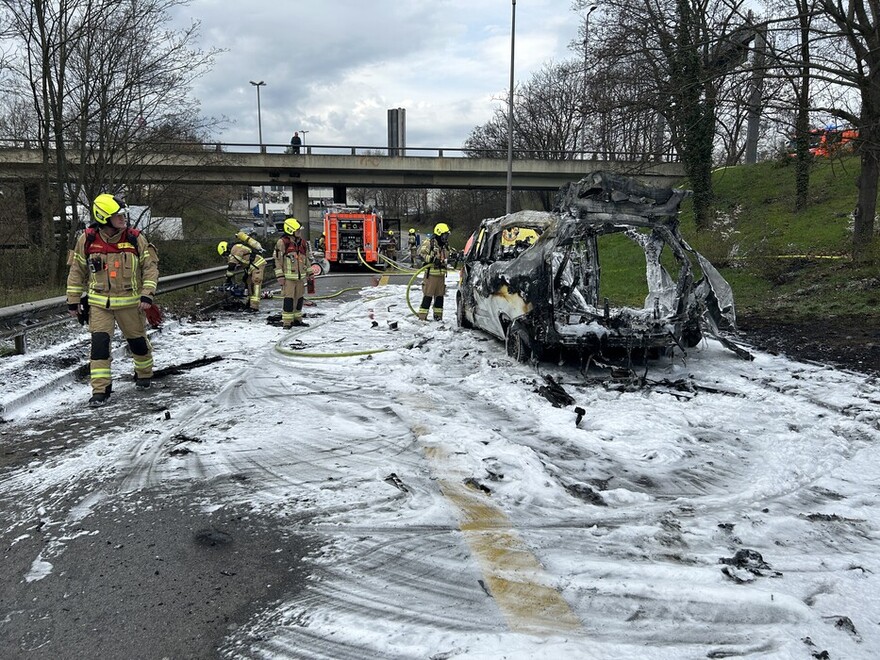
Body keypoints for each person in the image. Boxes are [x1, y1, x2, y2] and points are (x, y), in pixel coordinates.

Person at [66, 193, 159, 407]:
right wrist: (73, 300)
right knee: (99, 346)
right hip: (99, 305)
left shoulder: (134, 238)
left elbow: (150, 269)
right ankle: (100, 389)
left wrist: (147, 294)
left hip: (130, 304)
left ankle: (144, 374)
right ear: (104, 217)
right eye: (118, 215)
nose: (123, 219)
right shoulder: (87, 239)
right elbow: (76, 271)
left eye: (123, 214)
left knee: (138, 344)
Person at [275, 217, 314, 328]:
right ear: (290, 230)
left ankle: (297, 319)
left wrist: (310, 273)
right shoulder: (282, 243)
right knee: (289, 299)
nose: (300, 232)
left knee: (299, 298)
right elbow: (277, 260)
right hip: (288, 279)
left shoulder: (302, 243)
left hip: (300, 278)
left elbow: (305, 259)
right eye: (298, 231)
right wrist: (280, 276)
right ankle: (287, 322)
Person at [218, 233, 266, 312]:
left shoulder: (235, 249)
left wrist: (228, 278)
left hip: (258, 264)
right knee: (248, 283)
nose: (226, 256)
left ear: (225, 249)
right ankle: (249, 304)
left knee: (256, 283)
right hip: (251, 267)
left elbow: (232, 265)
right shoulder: (235, 249)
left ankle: (254, 307)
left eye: (225, 254)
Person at [417, 222, 450, 321]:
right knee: (428, 297)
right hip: (431, 276)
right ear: (439, 234)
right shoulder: (429, 243)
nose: (446, 237)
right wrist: (431, 259)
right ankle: (422, 318)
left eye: (447, 235)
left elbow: (447, 254)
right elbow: (420, 255)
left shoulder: (444, 245)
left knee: (440, 298)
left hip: (441, 276)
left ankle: (438, 318)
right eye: (444, 235)